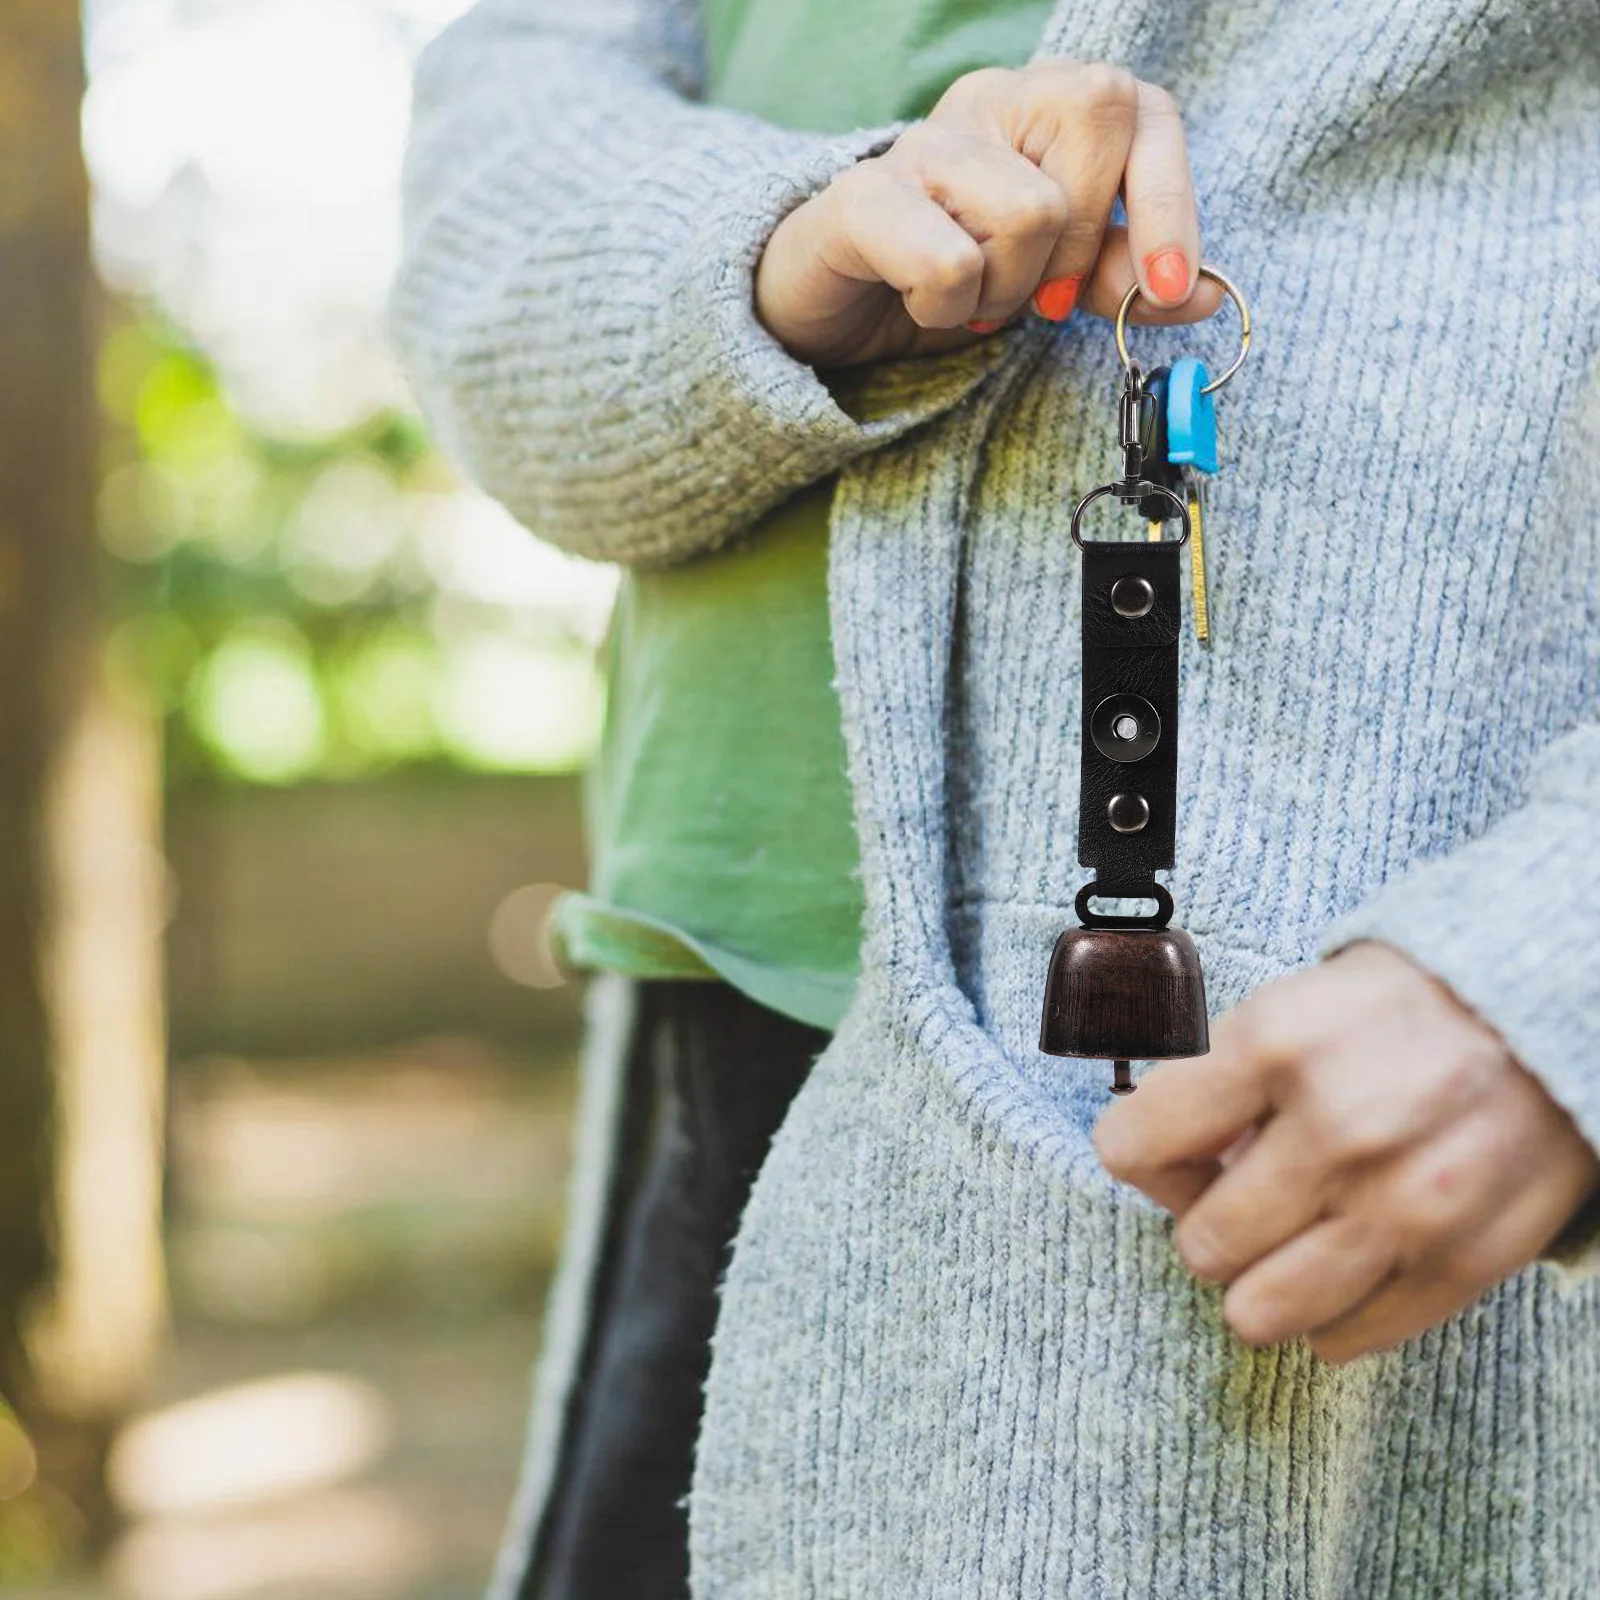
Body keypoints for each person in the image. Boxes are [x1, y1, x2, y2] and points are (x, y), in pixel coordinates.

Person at [393, 0, 1600, 1595]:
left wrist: (1555, 956)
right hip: (714, 1039)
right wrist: (773, 246)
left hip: (1358, 1107)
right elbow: (509, 117)